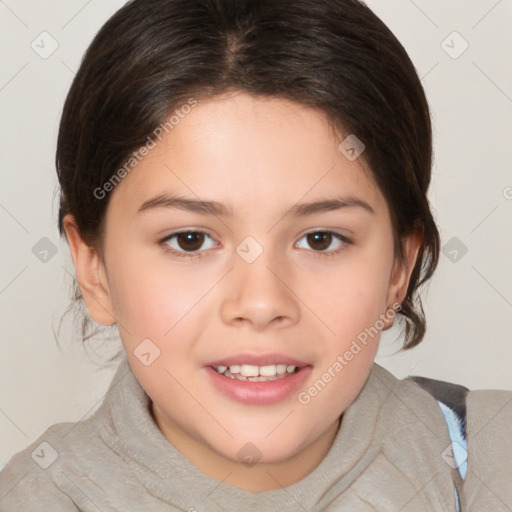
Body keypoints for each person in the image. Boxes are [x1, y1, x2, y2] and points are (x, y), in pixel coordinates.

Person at [0, 0, 510, 510]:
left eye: (320, 239)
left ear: (399, 268)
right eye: (190, 240)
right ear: (95, 270)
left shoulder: (491, 461)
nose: (262, 303)